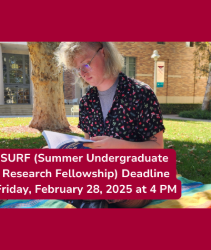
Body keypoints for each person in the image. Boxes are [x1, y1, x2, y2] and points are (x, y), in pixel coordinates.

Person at [55, 42, 165, 208]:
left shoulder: (140, 93)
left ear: (103, 53)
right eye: (78, 69)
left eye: (85, 64)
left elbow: (157, 148)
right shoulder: (87, 102)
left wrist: (118, 146)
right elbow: (89, 152)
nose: (82, 73)